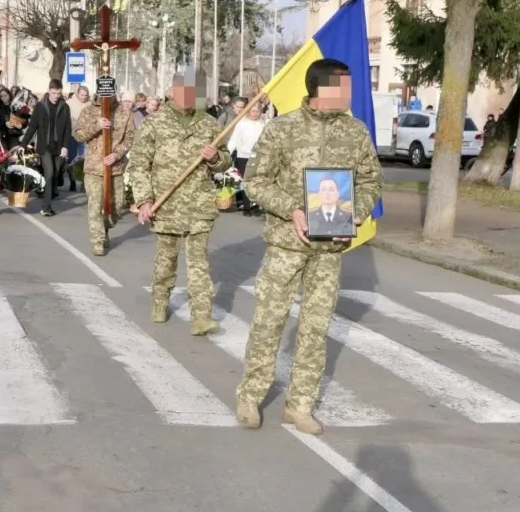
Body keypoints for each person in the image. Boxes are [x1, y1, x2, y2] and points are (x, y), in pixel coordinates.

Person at [235, 58, 382, 435]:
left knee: (316, 328)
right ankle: (250, 396)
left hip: (330, 248)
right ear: (323, 89)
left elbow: (369, 181)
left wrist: (358, 212)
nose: (350, 94)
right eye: (344, 87)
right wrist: (292, 210)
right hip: (287, 244)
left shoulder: (356, 132)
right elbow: (255, 181)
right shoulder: (282, 129)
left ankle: (300, 405)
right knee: (269, 320)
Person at [127, 68, 231, 336]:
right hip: (166, 203)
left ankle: (201, 315)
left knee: (199, 262)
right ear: (172, 91)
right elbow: (139, 164)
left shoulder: (209, 124)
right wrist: (144, 201)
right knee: (167, 259)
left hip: (200, 204)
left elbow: (225, 161)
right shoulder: (155, 122)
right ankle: (160, 301)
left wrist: (214, 158)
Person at [73, 90, 135, 255]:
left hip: (115, 167)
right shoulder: (88, 111)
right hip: (94, 167)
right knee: (95, 205)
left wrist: (117, 154)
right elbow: (78, 135)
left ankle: (105, 227)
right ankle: (97, 241)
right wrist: (97, 126)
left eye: (110, 92)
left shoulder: (124, 113)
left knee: (117, 207)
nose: (107, 95)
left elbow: (130, 138)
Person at [20, 79, 72, 217]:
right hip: (45, 146)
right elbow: (32, 128)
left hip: (59, 146)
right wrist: (23, 145)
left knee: (55, 174)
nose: (56, 96)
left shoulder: (65, 107)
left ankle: (48, 199)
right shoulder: (40, 106)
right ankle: (46, 207)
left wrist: (65, 147)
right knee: (49, 173)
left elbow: (68, 129)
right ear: (49, 91)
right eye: (54, 93)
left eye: (59, 93)